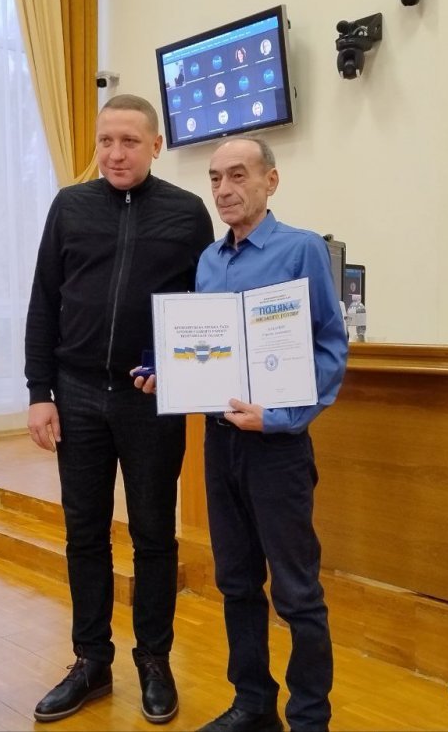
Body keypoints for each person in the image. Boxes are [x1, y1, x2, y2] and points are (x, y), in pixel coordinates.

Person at [134, 136, 347, 732]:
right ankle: (253, 703)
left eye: (237, 176)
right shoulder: (208, 261)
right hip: (220, 442)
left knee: (297, 593)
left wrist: (279, 418)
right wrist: (171, 376)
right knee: (235, 582)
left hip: (277, 449)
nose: (224, 190)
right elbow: (212, 352)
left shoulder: (301, 249)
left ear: (270, 182)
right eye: (214, 178)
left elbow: (330, 347)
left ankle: (309, 718)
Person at [25, 93, 215, 724]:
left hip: (150, 401)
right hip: (77, 394)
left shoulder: (188, 214)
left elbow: (201, 309)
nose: (114, 153)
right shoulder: (69, 206)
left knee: (154, 535)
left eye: (129, 141)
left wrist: (180, 374)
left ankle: (154, 660)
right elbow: (44, 301)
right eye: (105, 140)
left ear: (156, 146)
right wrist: (39, 392)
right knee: (84, 533)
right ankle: (91, 661)